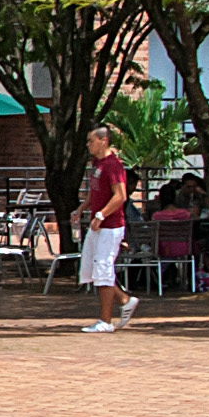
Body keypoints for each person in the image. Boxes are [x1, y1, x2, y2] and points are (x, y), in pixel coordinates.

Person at [77, 124, 134, 333]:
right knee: (92, 269)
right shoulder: (96, 163)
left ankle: (106, 321)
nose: (88, 145)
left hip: (110, 226)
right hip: (97, 224)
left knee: (103, 268)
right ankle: (124, 299)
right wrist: (82, 208)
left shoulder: (113, 165)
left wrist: (101, 215)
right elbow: (95, 191)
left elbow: (120, 196)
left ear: (104, 141)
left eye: (91, 141)